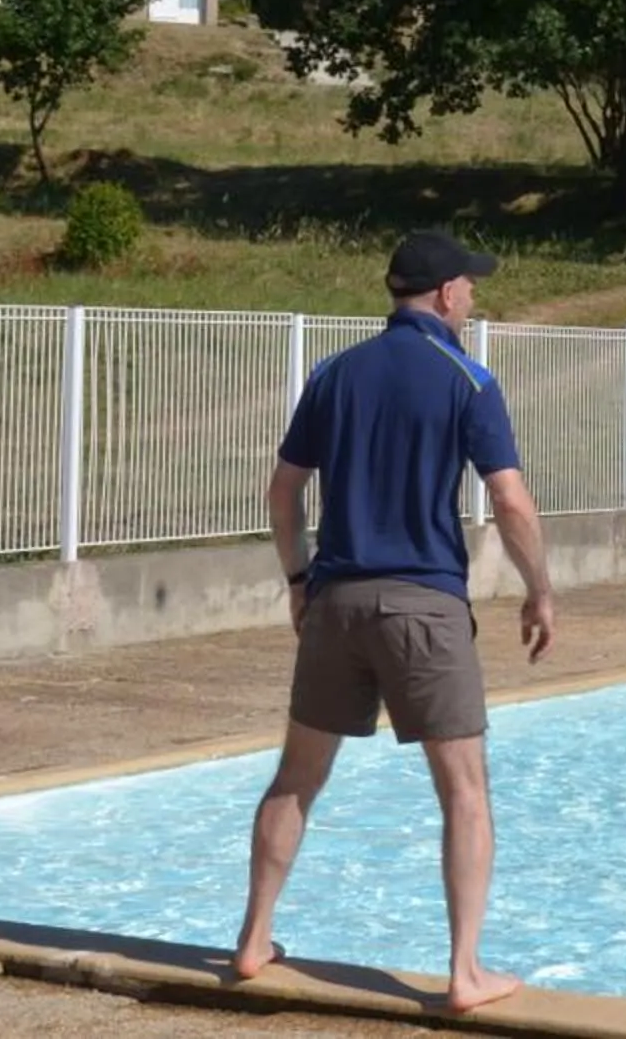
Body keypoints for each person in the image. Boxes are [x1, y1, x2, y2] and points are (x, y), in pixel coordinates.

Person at [231, 230, 557, 1015]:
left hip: (335, 603)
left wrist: (299, 578)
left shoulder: (333, 373)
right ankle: (464, 973)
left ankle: (251, 940)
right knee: (465, 793)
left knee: (296, 778)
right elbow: (509, 499)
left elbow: (282, 492)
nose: (474, 298)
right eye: (469, 287)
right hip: (423, 608)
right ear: (445, 294)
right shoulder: (468, 379)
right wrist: (540, 589)